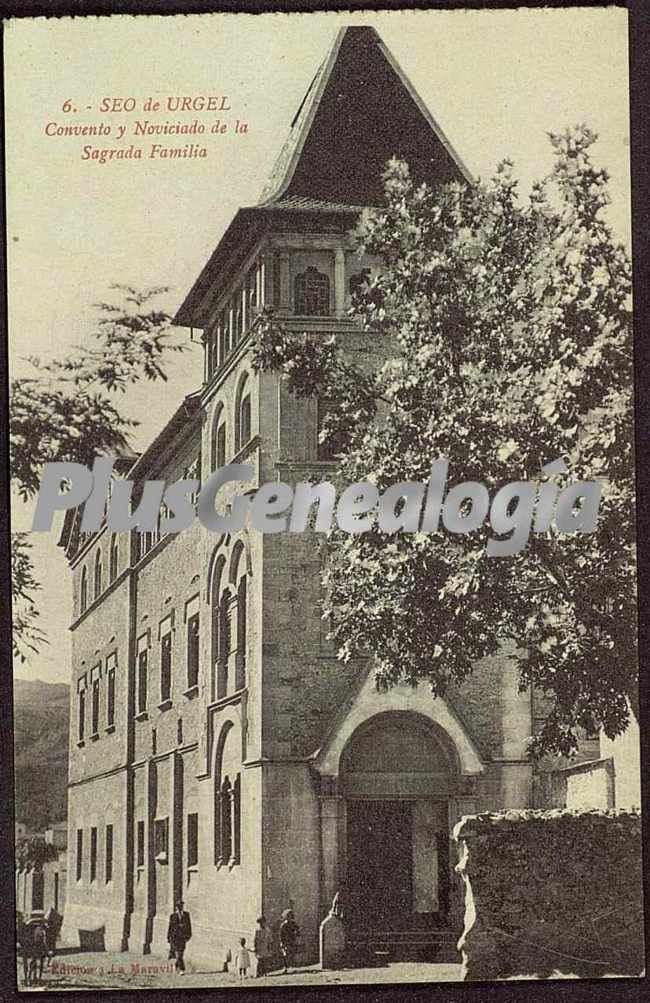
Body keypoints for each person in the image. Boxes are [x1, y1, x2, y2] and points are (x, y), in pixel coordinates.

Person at [167, 899, 192, 975]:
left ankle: (177, 964)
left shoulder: (186, 915)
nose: (180, 907)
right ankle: (182, 969)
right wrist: (168, 937)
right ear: (176, 907)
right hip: (175, 937)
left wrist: (189, 935)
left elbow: (189, 926)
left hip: (183, 938)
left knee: (181, 954)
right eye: (178, 906)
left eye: (181, 906)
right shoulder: (173, 916)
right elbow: (170, 927)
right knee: (178, 954)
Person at [279, 908, 300, 973]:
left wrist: (296, 933)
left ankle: (291, 967)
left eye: (291, 916)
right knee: (285, 955)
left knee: (291, 954)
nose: (289, 917)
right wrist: (282, 942)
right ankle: (285, 967)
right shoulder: (284, 925)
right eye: (288, 916)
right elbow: (281, 934)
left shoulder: (293, 924)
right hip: (285, 941)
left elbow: (298, 931)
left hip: (292, 941)